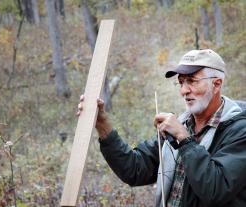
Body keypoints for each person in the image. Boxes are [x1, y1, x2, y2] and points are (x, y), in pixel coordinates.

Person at [77, 49, 246, 207]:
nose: (184, 91)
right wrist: (102, 123)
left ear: (216, 85)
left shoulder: (239, 130)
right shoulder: (183, 125)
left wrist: (184, 139)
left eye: (192, 81)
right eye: (181, 82)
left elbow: (216, 189)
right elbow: (134, 170)